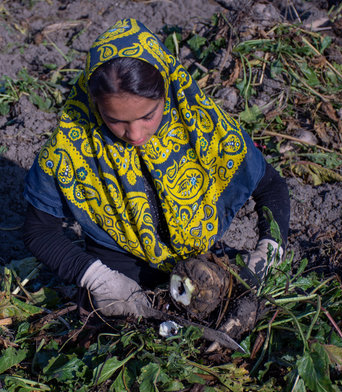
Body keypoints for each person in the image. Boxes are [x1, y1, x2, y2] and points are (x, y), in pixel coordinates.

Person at [23, 19, 290, 318]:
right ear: (93, 103)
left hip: (202, 267)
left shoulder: (201, 127)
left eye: (148, 115)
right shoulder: (69, 148)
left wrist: (269, 249)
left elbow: (271, 187)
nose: (135, 135)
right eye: (115, 121)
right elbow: (39, 231)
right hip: (122, 277)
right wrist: (97, 278)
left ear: (168, 89)